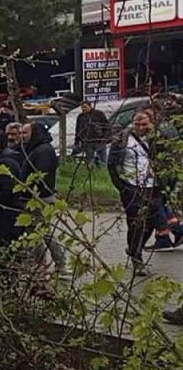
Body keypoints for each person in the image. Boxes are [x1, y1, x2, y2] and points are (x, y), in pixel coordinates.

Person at [107, 112, 159, 276]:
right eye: (138, 125)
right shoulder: (122, 140)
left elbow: (168, 158)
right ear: (133, 124)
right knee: (136, 222)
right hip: (131, 185)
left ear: (150, 124)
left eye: (144, 125)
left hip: (153, 185)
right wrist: (121, 186)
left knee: (152, 220)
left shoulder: (157, 139)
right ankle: (137, 259)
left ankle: (135, 247)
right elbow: (111, 164)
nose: (141, 128)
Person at [20, 122, 66, 273]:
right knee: (41, 231)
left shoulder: (42, 151)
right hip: (38, 197)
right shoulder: (36, 149)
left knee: (41, 232)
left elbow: (41, 175)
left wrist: (34, 192)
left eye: (25, 133)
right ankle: (49, 262)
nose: (22, 136)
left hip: (39, 198)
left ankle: (49, 262)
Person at [75, 101, 110, 165]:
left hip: (99, 141)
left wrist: (104, 138)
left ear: (90, 106)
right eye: (82, 107)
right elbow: (78, 130)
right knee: (90, 161)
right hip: (87, 142)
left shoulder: (99, 114)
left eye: (85, 107)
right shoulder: (80, 117)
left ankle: (102, 172)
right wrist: (77, 141)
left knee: (102, 161)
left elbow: (106, 126)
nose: (83, 109)